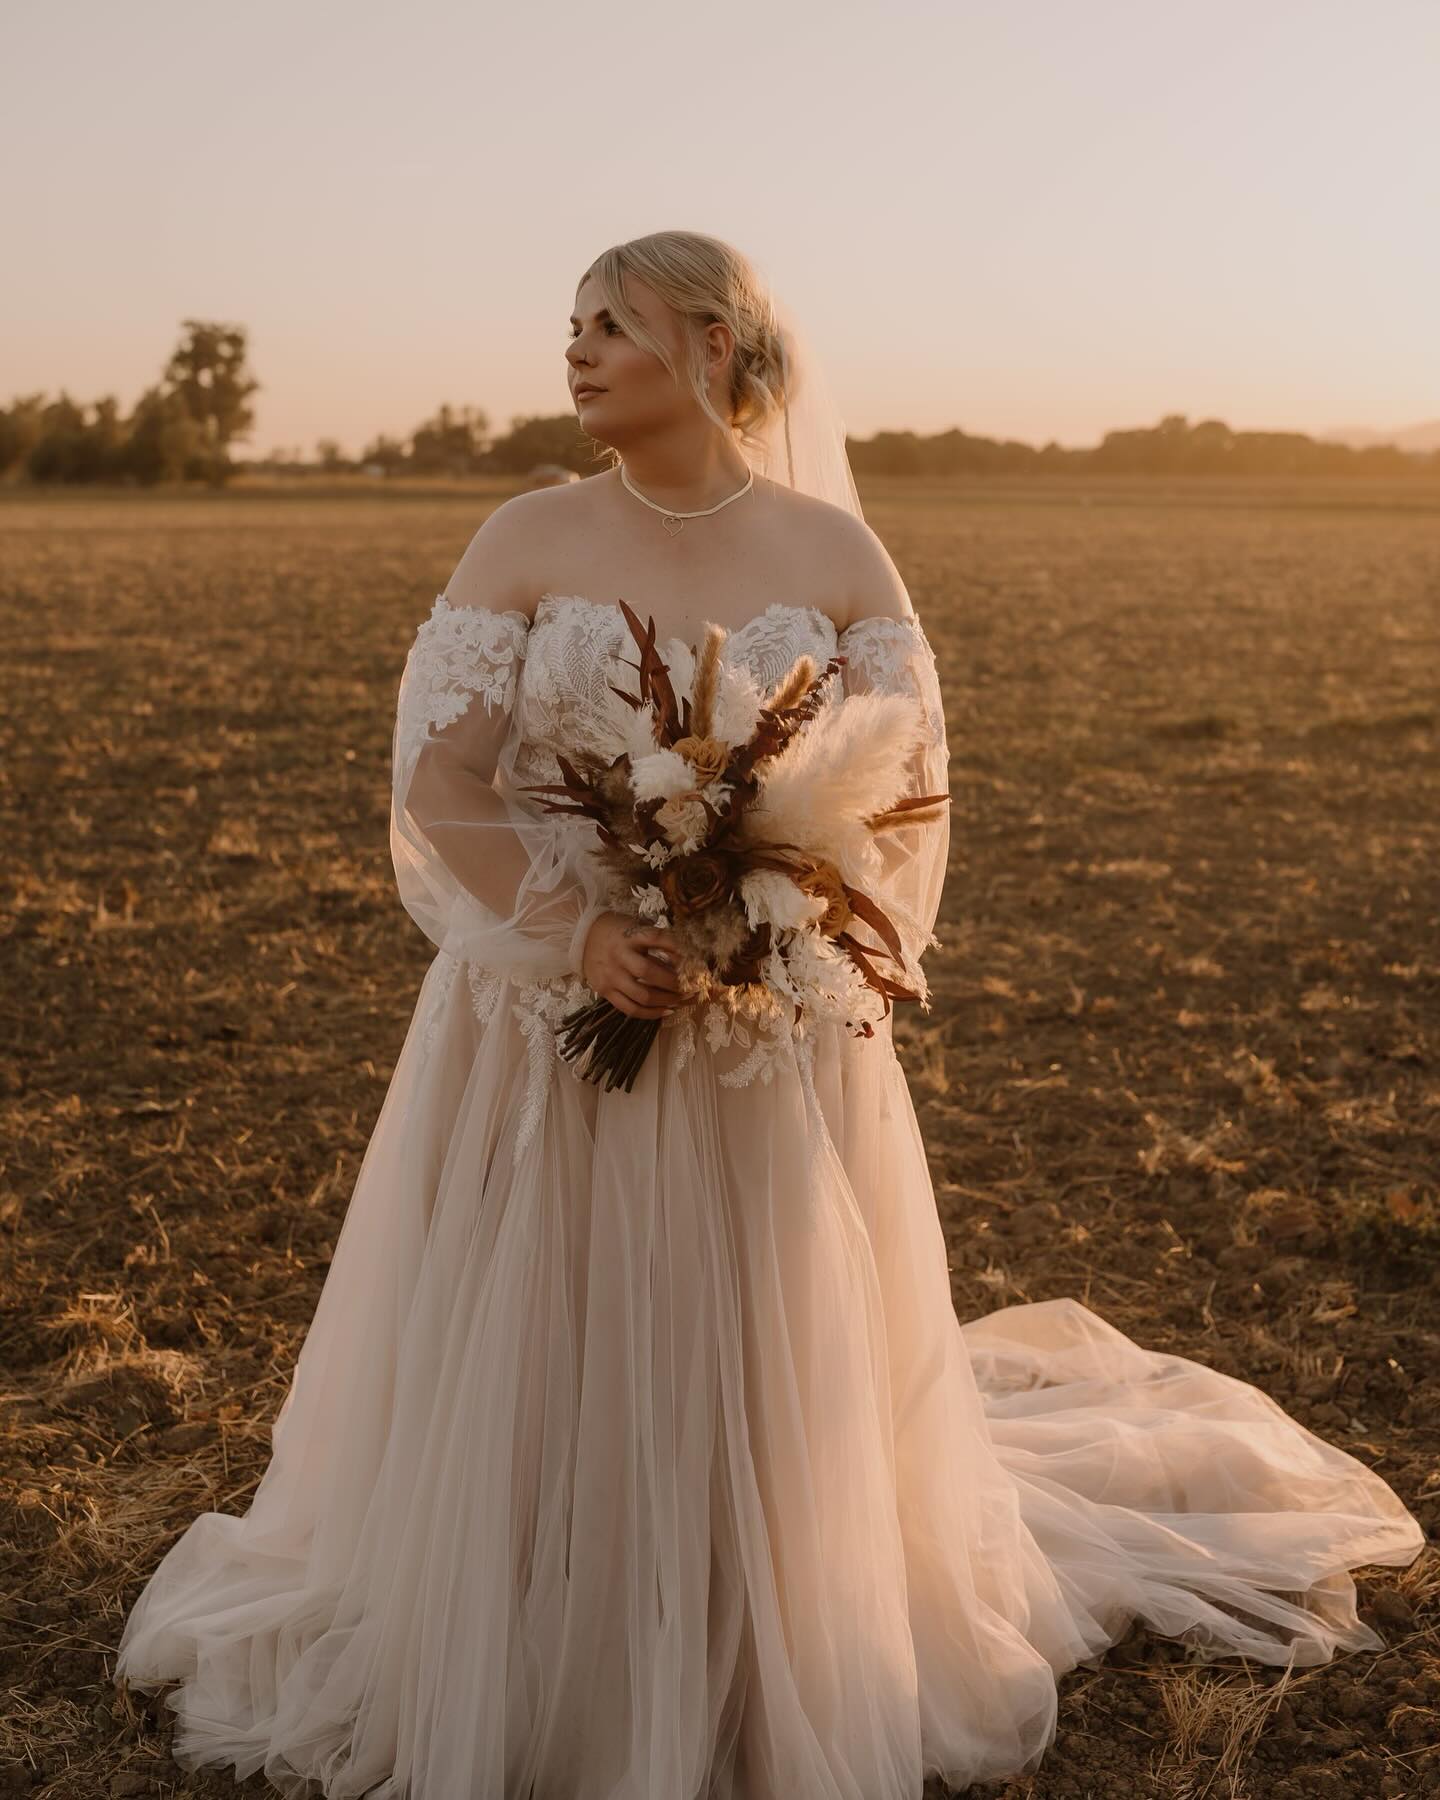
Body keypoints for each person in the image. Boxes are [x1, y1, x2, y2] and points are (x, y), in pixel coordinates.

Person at [113, 230, 1425, 1800]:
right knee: (539, 1329)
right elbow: (441, 783)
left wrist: (772, 926)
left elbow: (895, 807)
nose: (579, 349)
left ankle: (763, 1621)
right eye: (572, 324)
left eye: (616, 323)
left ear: (718, 347)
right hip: (542, 1018)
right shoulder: (525, 536)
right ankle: (530, 1619)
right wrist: (582, 931)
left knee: (756, 1330)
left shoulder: (835, 558)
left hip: (762, 1037)